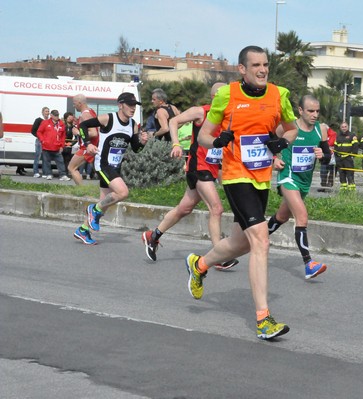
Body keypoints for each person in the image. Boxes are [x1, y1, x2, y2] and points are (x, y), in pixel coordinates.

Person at [184, 45, 297, 340]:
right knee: (260, 240)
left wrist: (281, 142)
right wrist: (217, 141)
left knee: (240, 243)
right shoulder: (227, 95)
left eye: (266, 65)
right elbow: (204, 136)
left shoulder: (278, 95)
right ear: (242, 69)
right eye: (256, 65)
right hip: (235, 175)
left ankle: (200, 264)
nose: (262, 70)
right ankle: (263, 319)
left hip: (262, 178)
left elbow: (292, 129)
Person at [141, 82, 239, 271]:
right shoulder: (201, 112)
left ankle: (153, 236)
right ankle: (217, 255)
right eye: (223, 96)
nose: (227, 100)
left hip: (213, 167)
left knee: (184, 208)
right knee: (216, 208)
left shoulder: (230, 117)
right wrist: (176, 144)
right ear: (214, 97)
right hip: (198, 166)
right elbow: (173, 121)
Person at [268, 94, 331, 279]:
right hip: (288, 177)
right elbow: (268, 142)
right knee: (301, 216)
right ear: (300, 110)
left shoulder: (321, 130)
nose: (315, 115)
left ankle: (253, 238)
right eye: (310, 111)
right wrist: (274, 159)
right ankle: (309, 264)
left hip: (304, 182)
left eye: (317, 111)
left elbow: (327, 156)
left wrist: (323, 155)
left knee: (281, 216)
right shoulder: (288, 127)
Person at [73, 92, 148, 245]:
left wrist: (143, 142)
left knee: (105, 204)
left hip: (116, 167)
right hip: (103, 164)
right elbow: (83, 125)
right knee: (123, 192)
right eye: (130, 105)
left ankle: (83, 230)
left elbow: (136, 149)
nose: (133, 109)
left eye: (135, 106)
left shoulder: (132, 125)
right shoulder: (109, 118)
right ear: (120, 105)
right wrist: (88, 144)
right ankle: (93, 210)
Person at [68, 94, 98, 185]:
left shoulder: (85, 115)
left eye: (74, 103)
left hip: (87, 147)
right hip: (90, 146)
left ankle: (82, 191)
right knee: (99, 170)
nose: (73, 106)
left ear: (79, 103)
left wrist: (77, 133)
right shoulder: (91, 111)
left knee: (71, 168)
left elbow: (94, 133)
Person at [37, 109, 70, 181]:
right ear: (51, 115)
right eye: (55, 115)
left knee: (60, 161)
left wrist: (62, 146)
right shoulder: (45, 122)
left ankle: (63, 175)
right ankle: (49, 174)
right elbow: (39, 132)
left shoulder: (61, 124)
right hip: (47, 146)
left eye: (57, 115)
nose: (57, 117)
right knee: (46, 162)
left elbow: (63, 136)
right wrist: (43, 140)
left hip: (57, 147)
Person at [334, 121, 358, 190]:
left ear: (347, 127)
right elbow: (335, 147)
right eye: (342, 127)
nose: (344, 128)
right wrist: (336, 157)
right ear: (340, 128)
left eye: (345, 127)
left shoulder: (352, 135)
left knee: (350, 174)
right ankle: (343, 189)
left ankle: (351, 190)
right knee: (341, 174)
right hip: (340, 159)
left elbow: (355, 146)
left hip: (348, 158)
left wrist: (353, 155)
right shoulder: (338, 136)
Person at [30, 106, 50, 177]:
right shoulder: (38, 120)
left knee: (45, 157)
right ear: (42, 112)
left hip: (47, 141)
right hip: (39, 141)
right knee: (37, 156)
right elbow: (33, 131)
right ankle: (36, 172)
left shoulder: (49, 121)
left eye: (48, 111)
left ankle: (45, 173)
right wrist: (40, 137)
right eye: (46, 111)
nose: (47, 113)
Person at [318, 124, 337, 189]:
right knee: (323, 170)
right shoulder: (322, 134)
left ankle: (330, 184)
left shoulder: (333, 134)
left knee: (331, 171)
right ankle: (323, 184)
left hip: (331, 156)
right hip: (324, 155)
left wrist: (325, 145)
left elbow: (330, 143)